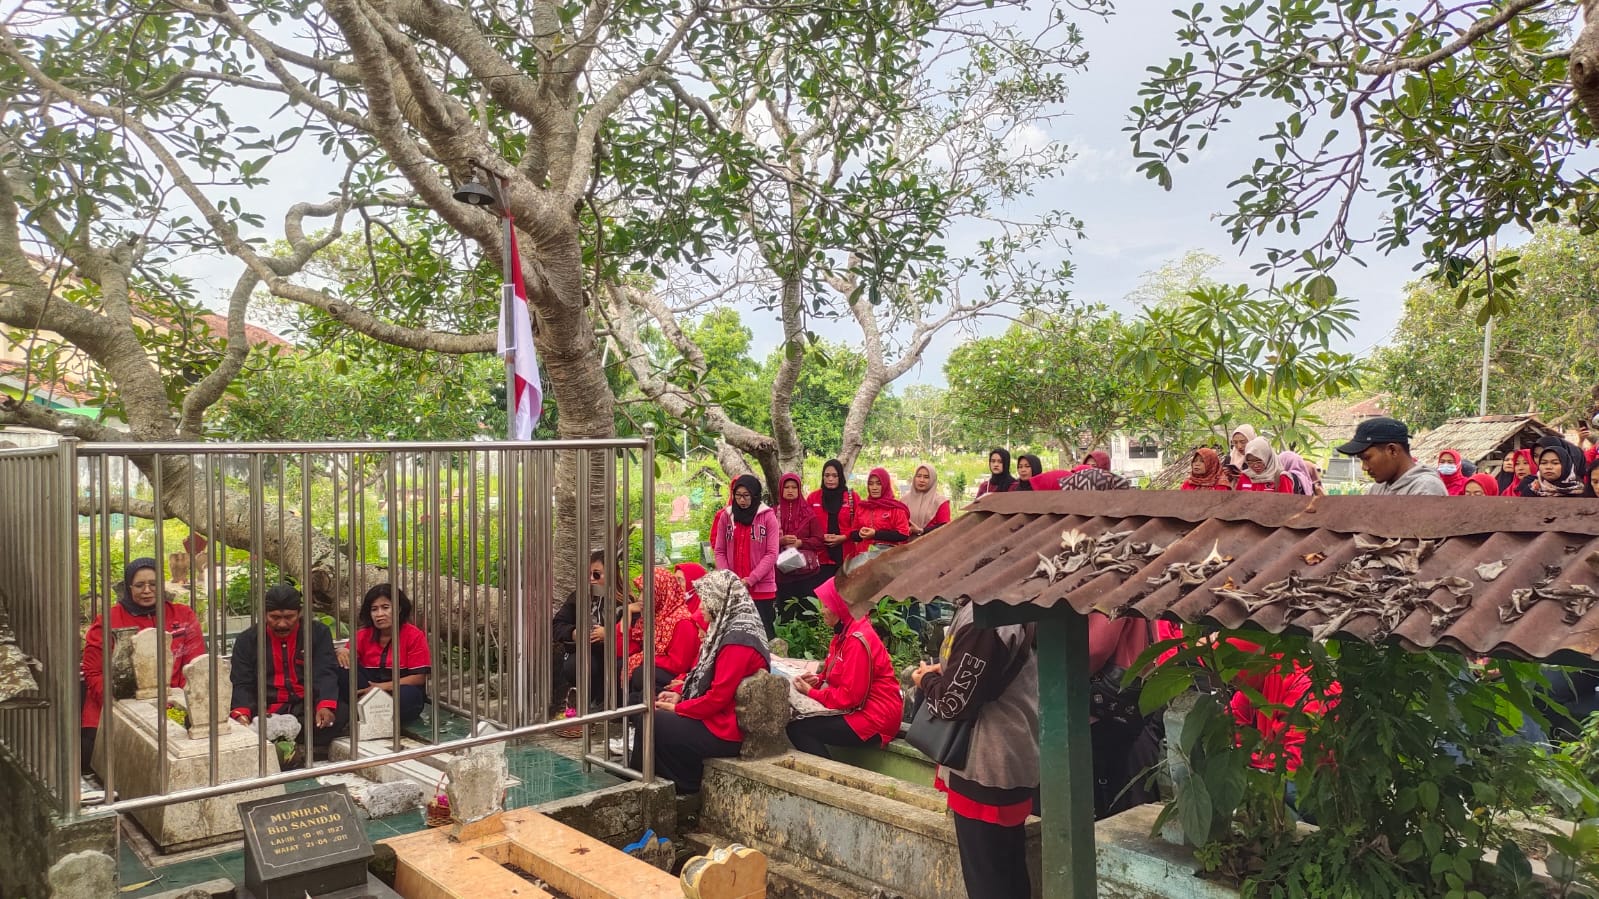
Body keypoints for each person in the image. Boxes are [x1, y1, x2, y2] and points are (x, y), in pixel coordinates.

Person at [911, 592, 1037, 899]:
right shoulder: (1015, 605)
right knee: (1008, 870)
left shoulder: (985, 618)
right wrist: (946, 671)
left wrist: (924, 681)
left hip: (985, 761)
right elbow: (986, 672)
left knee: (987, 879)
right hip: (1012, 752)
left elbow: (953, 703)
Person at [628, 570, 770, 793]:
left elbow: (718, 697)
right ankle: (651, 779)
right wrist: (680, 695)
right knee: (650, 711)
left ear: (719, 602)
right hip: (716, 717)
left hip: (725, 728)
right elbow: (703, 676)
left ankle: (672, 784)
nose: (701, 607)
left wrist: (679, 708)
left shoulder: (737, 643)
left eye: (705, 601)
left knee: (652, 719)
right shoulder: (726, 632)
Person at [80, 558, 207, 773]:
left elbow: (195, 666)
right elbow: (93, 672)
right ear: (129, 587)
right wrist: (123, 705)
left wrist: (178, 703)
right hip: (111, 712)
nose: (147, 591)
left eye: (153, 584)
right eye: (139, 585)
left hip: (173, 707)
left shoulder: (183, 615)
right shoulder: (108, 620)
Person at [785, 578, 904, 759]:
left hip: (875, 717)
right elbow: (835, 673)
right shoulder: (844, 631)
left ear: (841, 607)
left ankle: (825, 781)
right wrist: (817, 681)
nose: (822, 611)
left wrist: (812, 692)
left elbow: (850, 696)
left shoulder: (856, 640)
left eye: (826, 606)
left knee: (799, 729)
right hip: (864, 709)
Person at [229, 584, 348, 758]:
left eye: (289, 617)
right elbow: (242, 682)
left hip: (307, 707)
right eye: (275, 617)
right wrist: (242, 716)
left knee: (341, 714)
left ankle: (279, 744)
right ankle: (290, 744)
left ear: (299, 613)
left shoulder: (318, 633)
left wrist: (325, 705)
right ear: (264, 614)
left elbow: (325, 672)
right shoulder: (247, 640)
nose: (282, 624)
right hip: (266, 709)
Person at [338, 583, 430, 727]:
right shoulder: (362, 635)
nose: (379, 614)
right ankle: (368, 710)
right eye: (374, 609)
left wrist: (382, 687)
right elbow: (348, 660)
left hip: (399, 690)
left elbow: (419, 677)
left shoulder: (414, 635)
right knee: (341, 668)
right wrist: (342, 652)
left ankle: (367, 713)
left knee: (407, 696)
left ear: (399, 609)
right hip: (366, 691)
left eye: (385, 607)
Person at [714, 474, 781, 637]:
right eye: (738, 496)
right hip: (733, 589)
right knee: (736, 634)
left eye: (746, 496)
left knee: (763, 634)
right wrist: (730, 578)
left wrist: (750, 579)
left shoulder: (767, 517)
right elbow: (719, 550)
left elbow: (772, 553)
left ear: (755, 495)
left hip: (761, 589)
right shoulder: (726, 516)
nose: (742, 501)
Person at [620, 567, 702, 702]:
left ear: (661, 592)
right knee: (621, 663)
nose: (641, 598)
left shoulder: (682, 621)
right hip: (663, 666)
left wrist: (644, 658)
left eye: (646, 593)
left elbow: (679, 664)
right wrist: (627, 611)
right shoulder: (657, 616)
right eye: (640, 592)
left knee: (641, 673)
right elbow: (623, 645)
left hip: (679, 675)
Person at [554, 551, 617, 706]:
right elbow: (557, 624)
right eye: (588, 574)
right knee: (577, 665)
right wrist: (575, 633)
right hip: (585, 653)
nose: (591, 579)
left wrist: (609, 633)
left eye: (596, 575)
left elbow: (635, 631)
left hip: (614, 654)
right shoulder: (578, 597)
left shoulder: (624, 600)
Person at [1335, 417, 1447, 496]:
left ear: (1392, 450)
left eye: (1367, 458)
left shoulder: (1425, 489)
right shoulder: (1377, 489)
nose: (1364, 467)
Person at [774, 472, 827, 621]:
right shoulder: (773, 513)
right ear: (781, 490)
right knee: (786, 616)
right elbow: (765, 542)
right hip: (783, 574)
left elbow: (819, 540)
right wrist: (781, 541)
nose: (790, 490)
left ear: (799, 490)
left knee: (809, 615)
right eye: (786, 487)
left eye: (794, 487)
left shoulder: (809, 513)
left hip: (806, 574)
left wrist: (800, 543)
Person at [808, 459, 861, 582]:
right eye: (827, 475)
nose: (830, 479)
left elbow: (860, 524)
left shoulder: (852, 498)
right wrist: (821, 536)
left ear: (840, 477)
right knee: (821, 596)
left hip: (846, 557)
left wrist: (843, 537)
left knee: (844, 595)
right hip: (820, 558)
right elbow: (807, 525)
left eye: (834, 476)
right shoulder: (813, 498)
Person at [849, 468, 911, 562]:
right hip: (862, 558)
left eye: (879, 483)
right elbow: (854, 534)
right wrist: (860, 533)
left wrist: (875, 534)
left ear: (885, 484)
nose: (874, 487)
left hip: (887, 559)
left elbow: (903, 534)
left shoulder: (895, 508)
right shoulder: (862, 507)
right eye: (871, 484)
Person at [1520, 436, 1591, 498]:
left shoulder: (1581, 490)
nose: (1548, 467)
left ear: (1565, 461)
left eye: (1555, 462)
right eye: (1544, 462)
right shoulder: (1532, 488)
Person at [1232, 437, 1298, 494]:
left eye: (1259, 461)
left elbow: (1287, 505)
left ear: (1268, 457)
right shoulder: (1245, 477)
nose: (1255, 465)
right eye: (1250, 462)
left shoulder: (1281, 478)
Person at [905, 463, 951, 538]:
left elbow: (945, 528)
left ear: (932, 479)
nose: (921, 480)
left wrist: (922, 531)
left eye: (926, 477)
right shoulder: (904, 500)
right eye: (918, 476)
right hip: (905, 546)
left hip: (932, 545)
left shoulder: (940, 502)